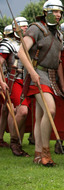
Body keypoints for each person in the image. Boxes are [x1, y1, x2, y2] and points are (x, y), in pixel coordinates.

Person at [18, 0, 64, 166]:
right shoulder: (36, 28)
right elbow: (21, 51)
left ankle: (38, 153)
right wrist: (32, 73)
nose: (58, 15)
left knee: (41, 114)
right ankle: (46, 153)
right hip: (37, 72)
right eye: (55, 11)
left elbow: (59, 61)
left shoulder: (58, 34)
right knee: (50, 110)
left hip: (50, 75)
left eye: (60, 12)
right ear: (46, 12)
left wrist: (62, 85)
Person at [0, 17, 31, 157]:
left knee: (22, 113)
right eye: (22, 27)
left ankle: (18, 142)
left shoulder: (27, 43)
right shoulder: (8, 43)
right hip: (12, 80)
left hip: (26, 81)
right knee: (20, 111)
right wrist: (1, 81)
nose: (24, 28)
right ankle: (14, 141)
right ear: (14, 29)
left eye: (26, 26)